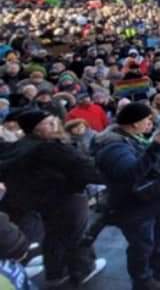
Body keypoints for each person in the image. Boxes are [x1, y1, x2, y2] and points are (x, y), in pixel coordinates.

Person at [0, 110, 106, 287]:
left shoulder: (20, 145)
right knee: (77, 234)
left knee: (54, 235)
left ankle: (55, 272)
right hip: (68, 197)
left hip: (42, 201)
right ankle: (83, 270)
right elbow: (87, 170)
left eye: (53, 121)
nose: (55, 125)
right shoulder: (49, 147)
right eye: (48, 123)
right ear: (35, 129)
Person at [92, 102, 160, 290]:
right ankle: (142, 279)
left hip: (151, 200)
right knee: (141, 244)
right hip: (133, 206)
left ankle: (158, 261)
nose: (150, 123)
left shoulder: (132, 138)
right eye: (147, 120)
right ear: (134, 123)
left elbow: (144, 161)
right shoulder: (114, 147)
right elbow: (131, 174)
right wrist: (155, 148)